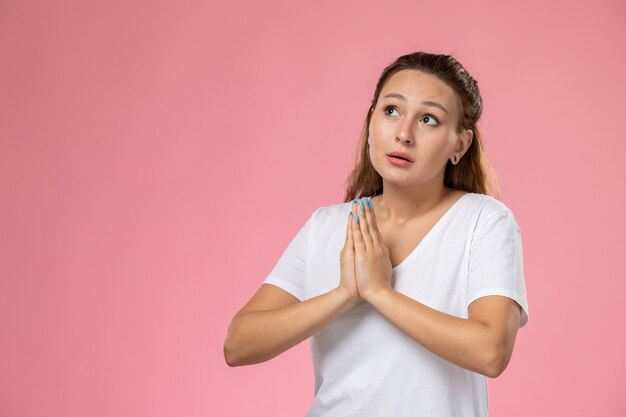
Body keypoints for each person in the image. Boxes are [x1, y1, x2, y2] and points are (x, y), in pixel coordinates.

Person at [223, 51, 529, 417]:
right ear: (371, 123)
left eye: (429, 119)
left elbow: (491, 351)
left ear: (459, 146)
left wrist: (379, 292)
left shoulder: (483, 221)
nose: (403, 133)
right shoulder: (326, 226)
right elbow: (238, 346)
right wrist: (344, 294)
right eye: (391, 111)